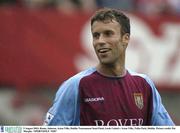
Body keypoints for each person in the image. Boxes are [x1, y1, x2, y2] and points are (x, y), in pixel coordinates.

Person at [43, 8, 175, 126]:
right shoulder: (76, 85)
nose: (100, 41)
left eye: (108, 34)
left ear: (126, 38)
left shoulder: (144, 84)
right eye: (96, 35)